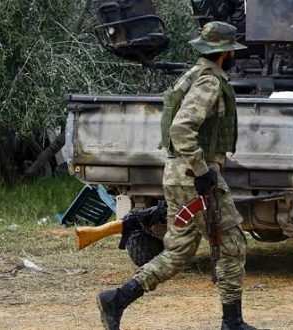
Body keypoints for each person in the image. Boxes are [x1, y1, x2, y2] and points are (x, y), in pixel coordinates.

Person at [96, 21, 259, 330]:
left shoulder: (191, 75)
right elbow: (182, 128)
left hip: (177, 173)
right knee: (233, 244)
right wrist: (201, 171)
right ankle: (232, 323)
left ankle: (116, 298)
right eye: (232, 51)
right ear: (224, 54)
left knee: (179, 252)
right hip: (194, 177)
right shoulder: (209, 82)